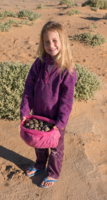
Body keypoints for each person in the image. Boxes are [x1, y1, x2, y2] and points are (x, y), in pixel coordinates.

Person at [20, 21, 77, 188]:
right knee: (39, 143)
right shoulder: (39, 63)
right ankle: (39, 165)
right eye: (46, 42)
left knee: (56, 148)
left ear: (63, 42)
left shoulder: (68, 69)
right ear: (42, 43)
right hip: (38, 114)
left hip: (56, 119)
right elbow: (28, 87)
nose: (51, 45)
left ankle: (53, 172)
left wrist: (60, 123)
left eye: (55, 40)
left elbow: (67, 100)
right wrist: (24, 109)